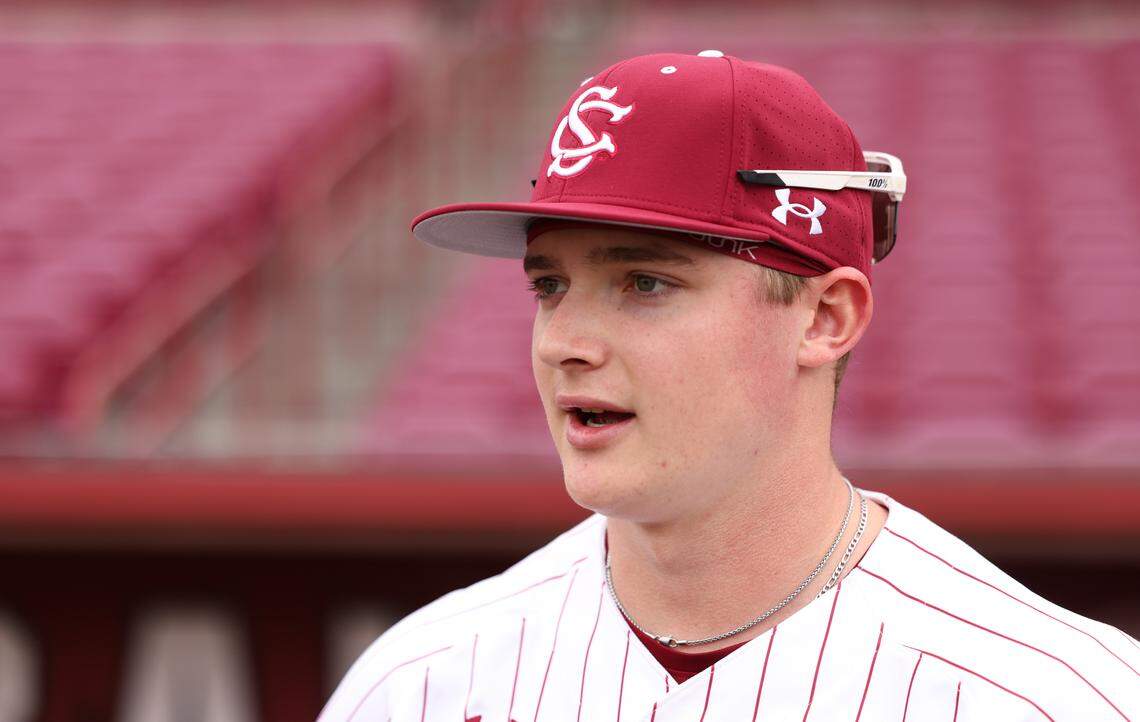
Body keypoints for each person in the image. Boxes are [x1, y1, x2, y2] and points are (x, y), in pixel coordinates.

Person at [318, 51, 1140, 721]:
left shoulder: (1050, 695)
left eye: (645, 283)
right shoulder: (421, 681)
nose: (563, 342)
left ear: (825, 319)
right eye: (549, 285)